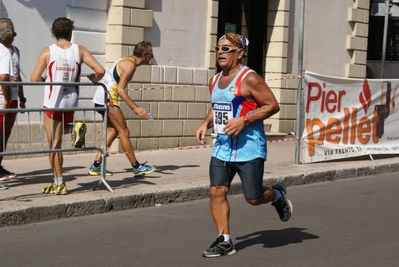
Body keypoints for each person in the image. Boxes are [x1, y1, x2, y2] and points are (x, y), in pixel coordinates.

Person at [195, 33, 293, 258]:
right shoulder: (215, 79)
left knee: (253, 197)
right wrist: (205, 124)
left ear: (240, 53)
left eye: (226, 49)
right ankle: (224, 240)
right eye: (218, 48)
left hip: (249, 148)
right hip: (222, 146)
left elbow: (272, 105)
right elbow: (217, 106)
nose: (220, 52)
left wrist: (245, 119)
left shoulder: (249, 78)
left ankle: (277, 195)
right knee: (216, 190)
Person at [31, 17, 105, 195]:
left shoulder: (47, 51)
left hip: (53, 101)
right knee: (57, 140)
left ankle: (59, 182)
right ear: (70, 32)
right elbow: (100, 71)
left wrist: (46, 81)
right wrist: (94, 79)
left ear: (54, 32)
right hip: (71, 100)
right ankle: (72, 128)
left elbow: (34, 78)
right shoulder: (79, 50)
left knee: (54, 144)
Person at [89, 41, 156, 177]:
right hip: (109, 101)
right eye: (151, 54)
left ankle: (96, 165)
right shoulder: (130, 65)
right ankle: (136, 167)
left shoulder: (127, 60)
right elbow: (120, 90)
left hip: (101, 99)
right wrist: (135, 108)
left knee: (113, 131)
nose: (152, 57)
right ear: (144, 55)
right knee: (124, 132)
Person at [0, 18, 17, 185]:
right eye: (12, 35)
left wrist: (21, 97)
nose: (14, 38)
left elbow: (14, 76)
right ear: (5, 37)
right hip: (4, 100)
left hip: (12, 98)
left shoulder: (15, 51)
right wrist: (6, 98)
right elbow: (4, 77)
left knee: (5, 134)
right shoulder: (4, 52)